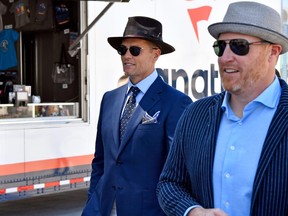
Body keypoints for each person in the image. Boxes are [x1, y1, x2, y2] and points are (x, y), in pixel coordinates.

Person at [157, 2, 288, 216]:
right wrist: (192, 211)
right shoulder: (195, 114)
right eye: (220, 46)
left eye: (239, 46)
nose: (224, 57)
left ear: (272, 53)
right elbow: (170, 183)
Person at [82, 16, 192, 216]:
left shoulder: (176, 102)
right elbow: (100, 161)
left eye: (135, 50)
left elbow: (179, 172)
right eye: (122, 50)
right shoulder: (109, 99)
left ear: (155, 54)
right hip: (101, 209)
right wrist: (92, 203)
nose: (126, 56)